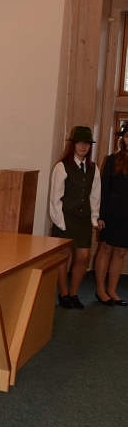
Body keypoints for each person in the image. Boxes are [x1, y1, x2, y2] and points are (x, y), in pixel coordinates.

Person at [50, 125, 100, 309]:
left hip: (83, 219)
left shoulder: (94, 169)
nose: (83, 146)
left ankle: (74, 292)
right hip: (65, 218)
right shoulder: (62, 166)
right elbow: (55, 197)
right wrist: (59, 222)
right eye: (79, 142)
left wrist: (94, 218)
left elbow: (95, 196)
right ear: (73, 144)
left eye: (87, 143)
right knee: (63, 256)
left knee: (83, 258)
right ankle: (63, 292)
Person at [95, 121, 128, 306]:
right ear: (123, 139)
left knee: (121, 252)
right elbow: (104, 188)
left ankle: (112, 290)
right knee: (106, 249)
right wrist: (101, 216)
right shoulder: (112, 159)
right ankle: (101, 290)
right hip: (111, 213)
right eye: (127, 136)